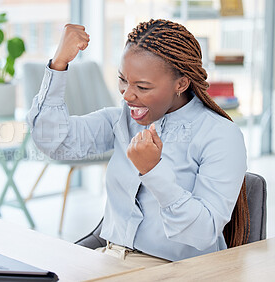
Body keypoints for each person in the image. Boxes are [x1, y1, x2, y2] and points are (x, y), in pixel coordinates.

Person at [26, 19, 249, 267]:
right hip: (110, 259)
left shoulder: (220, 135)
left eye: (142, 87)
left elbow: (203, 233)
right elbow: (53, 141)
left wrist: (153, 171)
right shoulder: (124, 119)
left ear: (181, 83)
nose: (127, 95)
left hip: (174, 270)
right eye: (123, 80)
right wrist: (59, 64)